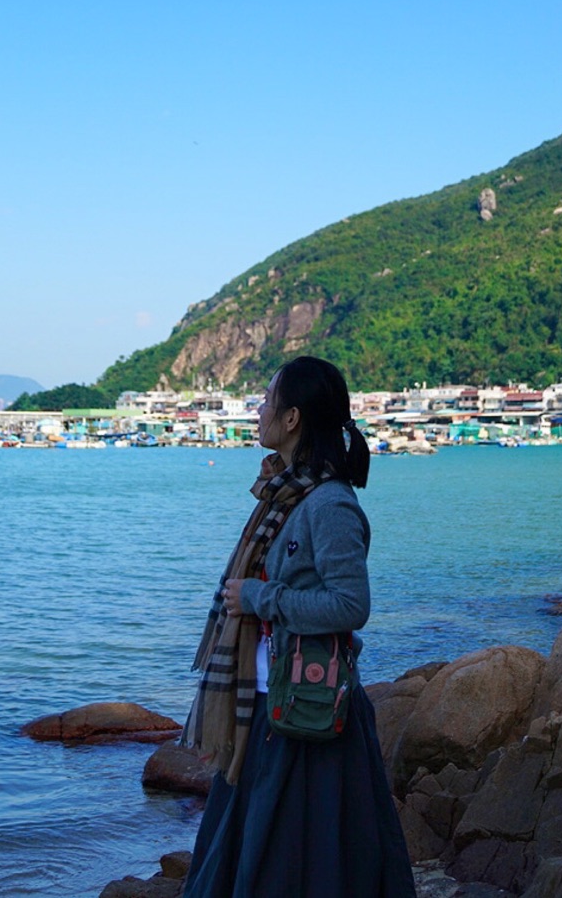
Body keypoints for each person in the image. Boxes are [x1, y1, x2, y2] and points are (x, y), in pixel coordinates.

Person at [181, 356, 416, 898]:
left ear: (291, 419)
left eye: (267, 400)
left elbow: (351, 605)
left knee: (294, 861)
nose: (259, 410)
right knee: (268, 853)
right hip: (271, 703)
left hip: (306, 709)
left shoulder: (328, 503)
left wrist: (259, 597)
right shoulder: (284, 496)